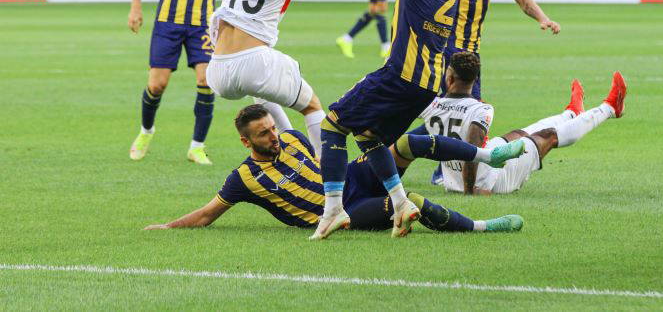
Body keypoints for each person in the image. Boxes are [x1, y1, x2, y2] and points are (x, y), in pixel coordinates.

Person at [311, 0, 467, 240]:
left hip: (399, 74)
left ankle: (333, 209)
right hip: (428, 84)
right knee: (369, 135)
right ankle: (400, 203)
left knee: (332, 125)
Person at [143, 105, 525, 234]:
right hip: (344, 211)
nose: (274, 137)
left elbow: (327, 160)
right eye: (263, 134)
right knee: (410, 201)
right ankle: (483, 226)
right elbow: (207, 214)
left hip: (350, 181)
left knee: (408, 143)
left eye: (272, 129)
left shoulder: (292, 139)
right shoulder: (244, 178)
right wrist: (167, 227)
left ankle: (487, 156)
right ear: (246, 142)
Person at [188, 0, 368, 156]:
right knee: (312, 106)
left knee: (262, 94)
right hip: (253, 62)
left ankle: (291, 152)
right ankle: (326, 172)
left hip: (217, 71)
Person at [401, 52, 628, 195]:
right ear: (475, 80)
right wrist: (471, 191)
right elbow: (471, 150)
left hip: (455, 180)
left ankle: (571, 113)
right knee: (548, 137)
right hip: (488, 181)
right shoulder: (480, 109)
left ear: (449, 78)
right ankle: (610, 108)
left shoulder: (431, 105)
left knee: (519, 134)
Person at [127, 0, 236, 165]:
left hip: (203, 25)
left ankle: (197, 147)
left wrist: (229, 18)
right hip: (168, 22)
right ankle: (146, 131)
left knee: (206, 81)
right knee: (157, 85)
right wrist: (136, 7)